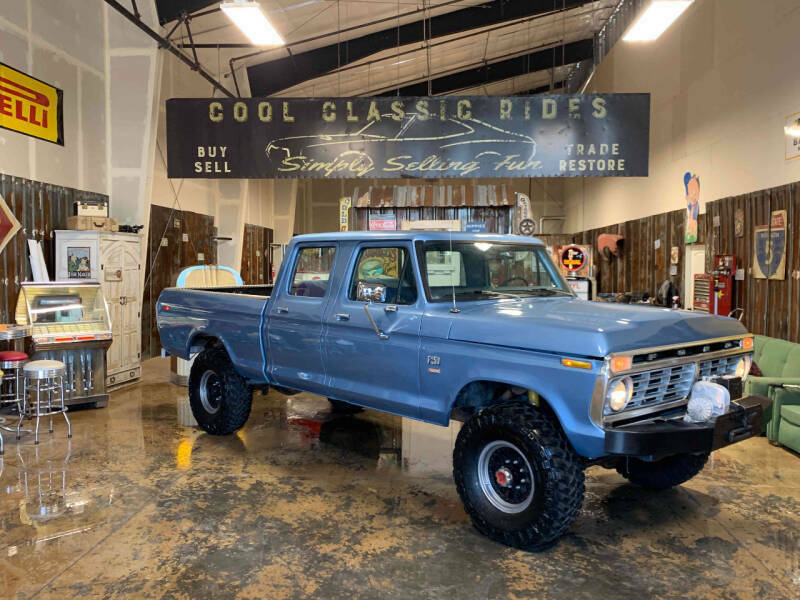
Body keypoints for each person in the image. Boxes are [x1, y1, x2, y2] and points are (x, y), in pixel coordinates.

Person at [685, 172, 700, 243]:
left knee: (692, 223)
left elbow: (694, 218)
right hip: (690, 221)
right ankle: (690, 234)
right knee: (690, 224)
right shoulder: (690, 206)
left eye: (695, 192)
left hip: (693, 223)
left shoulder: (695, 206)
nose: (693, 194)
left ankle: (691, 234)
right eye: (690, 191)